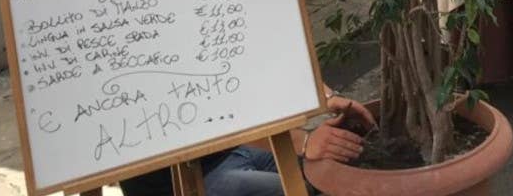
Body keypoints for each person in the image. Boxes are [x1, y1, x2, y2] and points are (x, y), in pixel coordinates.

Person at [119, 91, 375, 196]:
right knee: (299, 190)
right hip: (185, 182)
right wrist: (305, 141)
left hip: (235, 150)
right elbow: (203, 122)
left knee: (321, 170)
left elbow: (251, 64)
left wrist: (324, 95)